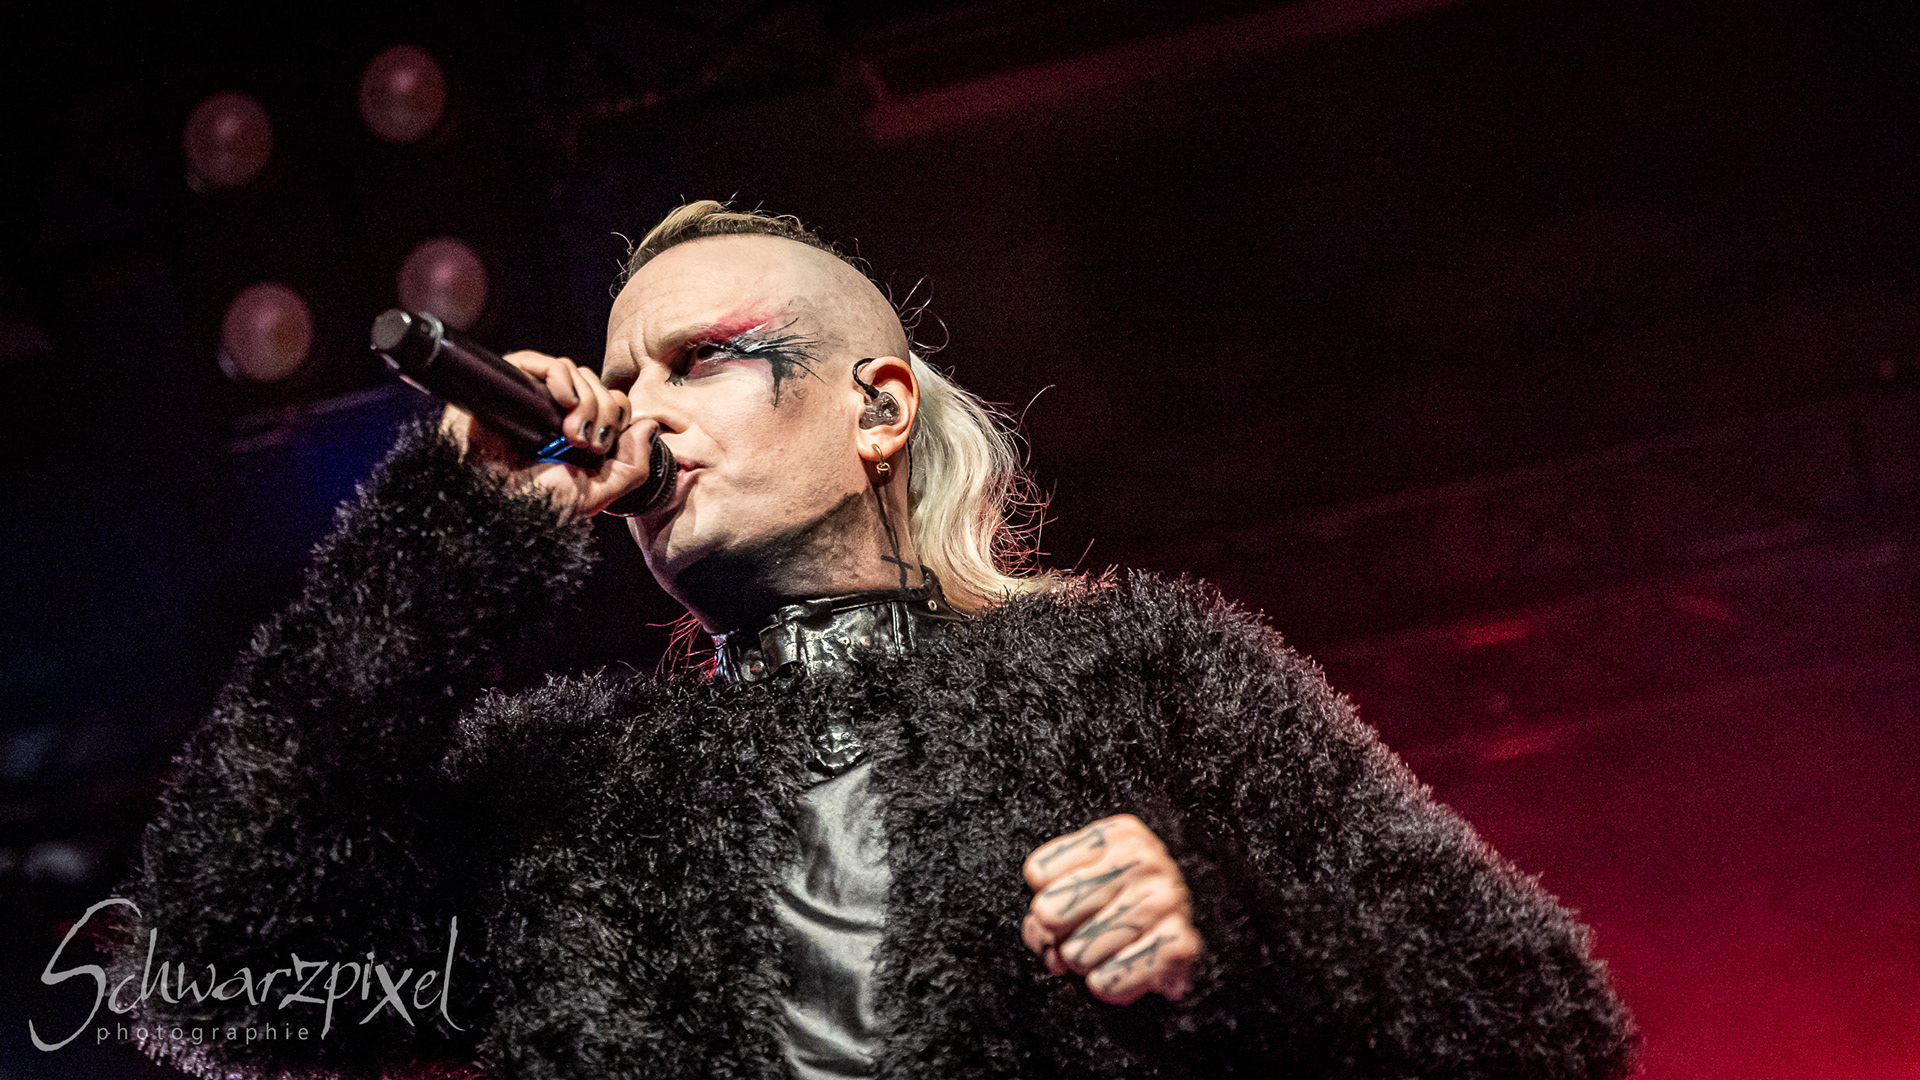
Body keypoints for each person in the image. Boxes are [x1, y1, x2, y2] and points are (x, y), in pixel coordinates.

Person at [118, 202, 1635, 1079]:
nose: (636, 414)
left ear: (878, 408)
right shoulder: (567, 786)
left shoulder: (1145, 671)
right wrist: (445, 544)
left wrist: (1229, 938)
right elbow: (209, 969)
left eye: (700, 362)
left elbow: (1540, 1021)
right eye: (621, 379)